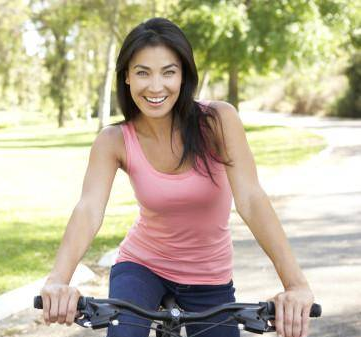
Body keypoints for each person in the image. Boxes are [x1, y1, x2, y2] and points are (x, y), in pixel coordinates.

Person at [40, 17, 314, 337]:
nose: (156, 87)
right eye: (143, 72)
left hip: (209, 279)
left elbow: (252, 200)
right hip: (142, 268)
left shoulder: (218, 121)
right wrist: (58, 280)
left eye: (168, 72)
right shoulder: (114, 140)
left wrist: (295, 285)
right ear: (127, 76)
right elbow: (88, 209)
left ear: (183, 75)